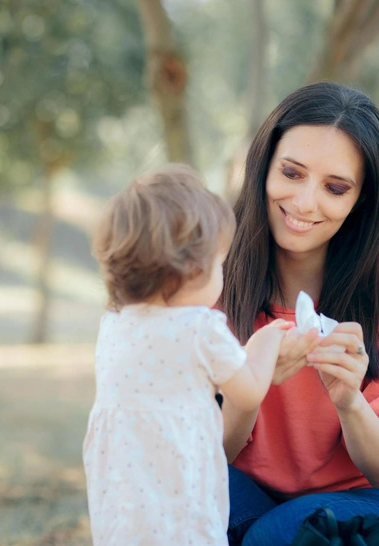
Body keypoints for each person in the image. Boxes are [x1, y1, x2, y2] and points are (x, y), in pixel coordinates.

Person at [220, 81, 379, 546]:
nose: (305, 203)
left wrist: (350, 399)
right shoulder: (214, 280)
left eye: (335, 187)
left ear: (360, 199)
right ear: (264, 167)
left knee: (283, 533)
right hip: (250, 496)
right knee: (172, 484)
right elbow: (211, 452)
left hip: (377, 506)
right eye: (291, 173)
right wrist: (252, 384)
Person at [83, 165, 292, 545]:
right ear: (192, 269)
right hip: (180, 498)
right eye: (218, 263)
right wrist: (264, 345)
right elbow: (247, 391)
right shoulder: (201, 328)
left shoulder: (114, 325)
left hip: (125, 501)